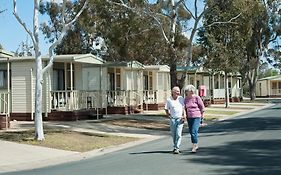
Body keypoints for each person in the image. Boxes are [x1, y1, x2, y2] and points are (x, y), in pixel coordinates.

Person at [164, 86, 186, 154]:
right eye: (177, 91)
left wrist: (184, 115)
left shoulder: (181, 98)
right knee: (174, 134)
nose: (178, 93)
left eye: (179, 91)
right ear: (173, 92)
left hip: (180, 119)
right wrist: (169, 116)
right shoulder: (169, 100)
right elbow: (166, 109)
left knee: (178, 134)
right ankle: (175, 146)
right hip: (173, 119)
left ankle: (177, 148)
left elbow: (183, 108)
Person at [184, 84, 205, 153]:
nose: (192, 92)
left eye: (193, 90)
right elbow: (184, 108)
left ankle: (194, 146)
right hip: (189, 117)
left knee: (193, 131)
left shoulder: (197, 97)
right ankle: (196, 143)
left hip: (197, 116)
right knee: (191, 132)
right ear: (187, 92)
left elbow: (202, 107)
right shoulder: (186, 99)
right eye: (190, 91)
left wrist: (202, 116)